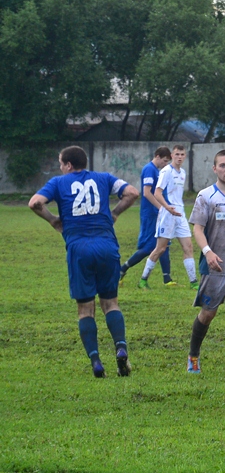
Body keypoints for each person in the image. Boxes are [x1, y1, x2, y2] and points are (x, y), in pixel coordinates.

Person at [29, 146, 139, 378]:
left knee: (85, 309)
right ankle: (120, 348)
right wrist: (115, 213)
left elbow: (35, 203)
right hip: (107, 247)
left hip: (79, 249)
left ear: (68, 165)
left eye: (61, 163)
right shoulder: (103, 178)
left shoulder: (59, 182)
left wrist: (52, 220)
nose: (61, 168)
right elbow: (132, 193)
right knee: (111, 304)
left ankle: (96, 362)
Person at [185, 150, 225, 374]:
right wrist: (208, 252)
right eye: (222, 165)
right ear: (214, 169)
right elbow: (198, 229)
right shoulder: (206, 196)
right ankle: (193, 355)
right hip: (216, 266)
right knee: (208, 313)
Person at [139, 144, 198, 290]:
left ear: (185, 156)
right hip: (167, 215)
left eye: (182, 154)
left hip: (180, 214)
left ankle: (194, 282)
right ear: (172, 155)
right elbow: (157, 193)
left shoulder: (182, 173)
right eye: (177, 154)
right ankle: (143, 280)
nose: (179, 157)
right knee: (160, 249)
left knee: (188, 247)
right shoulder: (166, 171)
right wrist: (167, 208)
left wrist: (177, 209)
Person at [119, 146, 174, 285]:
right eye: (164, 161)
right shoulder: (149, 169)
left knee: (165, 243)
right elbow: (147, 192)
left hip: (156, 213)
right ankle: (122, 269)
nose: (165, 164)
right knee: (150, 247)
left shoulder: (156, 170)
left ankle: (167, 278)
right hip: (151, 213)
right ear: (157, 156)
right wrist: (161, 208)